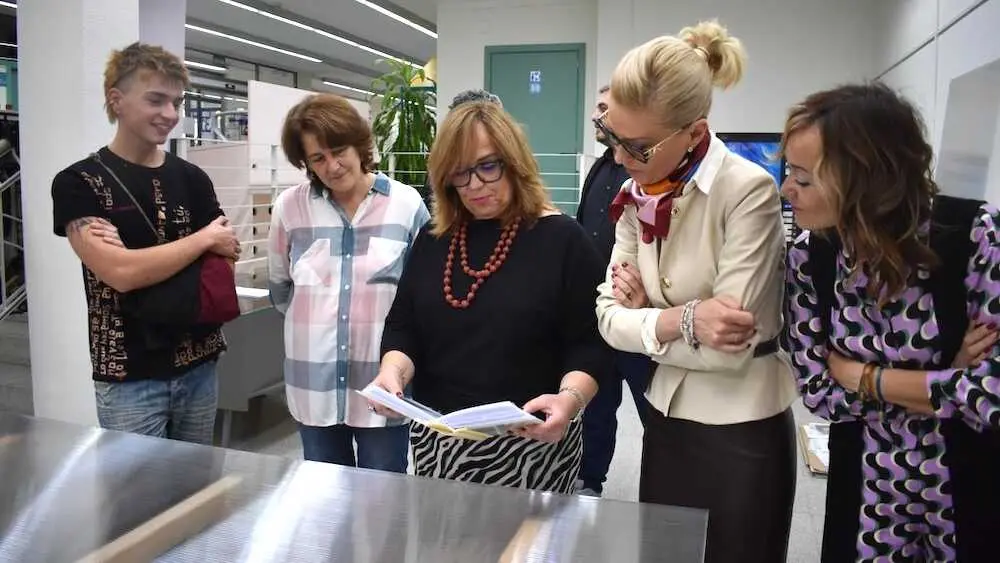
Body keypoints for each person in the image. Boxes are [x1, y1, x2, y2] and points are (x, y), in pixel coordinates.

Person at [594, 21, 797, 563]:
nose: (619, 159)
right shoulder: (635, 191)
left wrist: (647, 314)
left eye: (638, 147)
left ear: (694, 133)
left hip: (742, 427)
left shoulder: (747, 191)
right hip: (665, 417)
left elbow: (729, 351)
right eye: (610, 136)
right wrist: (683, 319)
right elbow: (607, 319)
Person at [781, 82, 1000, 562]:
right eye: (789, 172)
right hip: (867, 493)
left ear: (867, 179)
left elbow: (992, 395)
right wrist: (949, 374)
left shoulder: (974, 236)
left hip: (968, 482)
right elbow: (818, 393)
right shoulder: (811, 257)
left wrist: (865, 377)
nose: (786, 189)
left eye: (804, 178)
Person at [370, 100, 611, 493]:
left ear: (514, 162)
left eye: (487, 166)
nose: (474, 185)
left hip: (533, 448)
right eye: (459, 173)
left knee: (529, 535)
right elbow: (404, 325)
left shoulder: (564, 241)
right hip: (441, 445)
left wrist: (569, 400)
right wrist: (392, 373)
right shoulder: (434, 239)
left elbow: (591, 345)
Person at [50, 42, 239, 443]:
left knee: (195, 479)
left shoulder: (192, 178)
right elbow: (119, 273)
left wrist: (144, 262)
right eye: (156, 100)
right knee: (137, 484)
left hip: (200, 361)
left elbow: (226, 258)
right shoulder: (79, 182)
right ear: (116, 100)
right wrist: (202, 241)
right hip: (129, 373)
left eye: (177, 102)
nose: (170, 114)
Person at [268, 93, 429, 472]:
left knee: (382, 494)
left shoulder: (406, 204)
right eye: (317, 158)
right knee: (325, 495)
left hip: (383, 387)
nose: (332, 166)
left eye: (339, 151)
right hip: (313, 385)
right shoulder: (289, 208)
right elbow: (281, 288)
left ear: (359, 145)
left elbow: (422, 295)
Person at [574, 84, 653, 497]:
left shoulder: (646, 170)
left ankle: (665, 487)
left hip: (636, 313)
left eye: (604, 108)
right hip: (596, 312)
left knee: (654, 409)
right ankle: (590, 481)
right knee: (597, 407)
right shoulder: (600, 167)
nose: (596, 116)